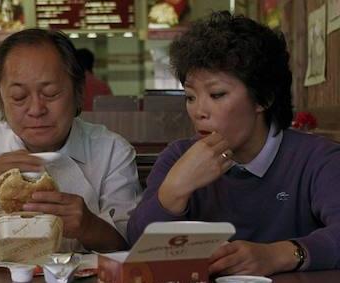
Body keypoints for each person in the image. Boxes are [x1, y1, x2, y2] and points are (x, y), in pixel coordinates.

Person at [127, 11, 340, 276]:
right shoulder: (178, 157)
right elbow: (136, 247)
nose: (198, 111)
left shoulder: (317, 159)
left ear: (264, 98)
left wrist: (278, 254)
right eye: (191, 97)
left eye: (217, 94)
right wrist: (174, 191)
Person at [0, 28, 141, 252]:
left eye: (51, 93)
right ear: (0, 99)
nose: (36, 109)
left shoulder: (111, 151)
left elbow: (130, 247)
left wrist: (88, 225)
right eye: (19, 97)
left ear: (78, 92)